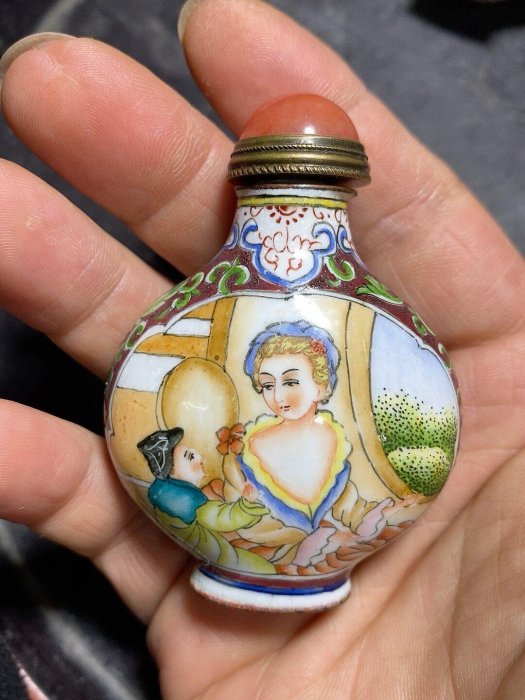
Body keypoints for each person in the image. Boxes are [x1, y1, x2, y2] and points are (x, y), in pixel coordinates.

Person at [0, 1, 524, 697]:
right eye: (268, 383)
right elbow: (234, 502)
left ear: (322, 383)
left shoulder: (336, 436)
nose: (278, 395)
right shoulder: (248, 442)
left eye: (291, 381)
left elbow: (339, 499)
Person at [136, 427, 276, 574]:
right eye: (190, 456)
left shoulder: (165, 496)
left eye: (193, 453)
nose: (200, 457)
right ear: (172, 471)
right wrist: (246, 504)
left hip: (210, 553)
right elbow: (221, 518)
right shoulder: (188, 502)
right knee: (261, 568)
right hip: (221, 556)